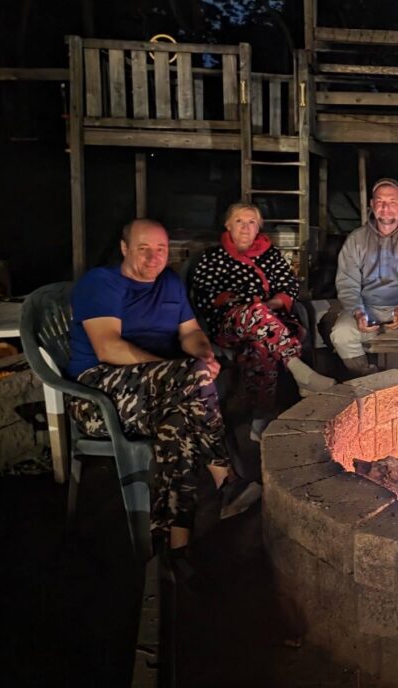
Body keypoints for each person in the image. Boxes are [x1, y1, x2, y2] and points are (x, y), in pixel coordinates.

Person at [67, 219, 260, 553]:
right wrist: (184, 373)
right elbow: (108, 348)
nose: (154, 257)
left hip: (164, 388)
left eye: (161, 249)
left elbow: (190, 333)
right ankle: (223, 473)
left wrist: (204, 354)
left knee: (178, 424)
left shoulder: (169, 282)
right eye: (143, 249)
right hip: (99, 394)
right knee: (191, 381)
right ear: (124, 249)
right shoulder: (102, 283)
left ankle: (172, 545)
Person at [191, 202, 334, 439]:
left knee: (259, 348)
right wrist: (253, 307)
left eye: (251, 222)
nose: (245, 228)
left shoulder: (271, 255)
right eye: (239, 221)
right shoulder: (212, 258)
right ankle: (300, 372)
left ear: (259, 227)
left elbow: (289, 287)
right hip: (230, 324)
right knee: (254, 315)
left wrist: (270, 307)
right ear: (228, 225)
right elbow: (206, 296)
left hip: (272, 324)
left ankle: (260, 420)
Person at [330, 178, 398, 376]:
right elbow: (346, 282)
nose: (385, 208)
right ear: (371, 204)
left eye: (392, 202)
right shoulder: (356, 239)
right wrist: (358, 311)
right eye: (380, 202)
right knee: (341, 334)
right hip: (367, 308)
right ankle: (365, 377)